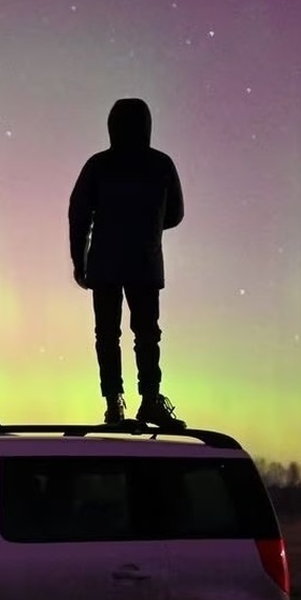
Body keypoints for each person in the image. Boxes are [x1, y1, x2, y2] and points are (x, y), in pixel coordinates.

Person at [68, 98, 186, 428]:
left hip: (105, 262)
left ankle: (113, 403)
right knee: (146, 333)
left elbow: (78, 214)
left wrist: (80, 260)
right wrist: (146, 224)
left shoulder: (99, 165)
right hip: (144, 260)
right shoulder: (160, 164)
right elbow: (175, 214)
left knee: (107, 334)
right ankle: (149, 398)